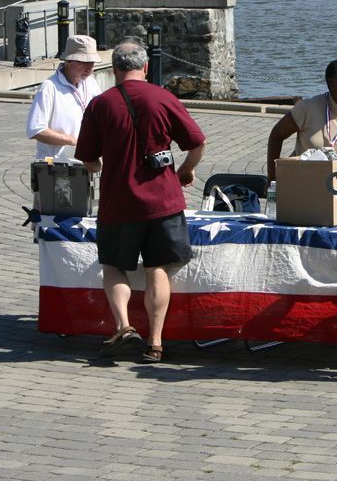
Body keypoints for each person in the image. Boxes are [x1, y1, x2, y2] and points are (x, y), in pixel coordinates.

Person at [75, 39, 206, 364]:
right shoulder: (164, 97)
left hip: (119, 201)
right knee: (158, 267)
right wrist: (186, 171)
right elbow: (197, 142)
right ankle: (156, 342)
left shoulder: (100, 104)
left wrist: (101, 167)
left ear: (115, 69)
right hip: (163, 201)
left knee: (114, 265)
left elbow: (88, 158)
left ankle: (124, 326)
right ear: (145, 67)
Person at [266, 57, 337, 218]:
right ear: (330, 82)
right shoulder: (307, 108)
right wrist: (272, 181)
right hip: (303, 189)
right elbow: (276, 136)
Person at [25, 34, 103, 160]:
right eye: (83, 62)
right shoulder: (49, 87)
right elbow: (35, 129)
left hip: (87, 160)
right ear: (68, 61)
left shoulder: (91, 83)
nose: (89, 68)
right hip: (56, 164)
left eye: (92, 63)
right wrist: (72, 141)